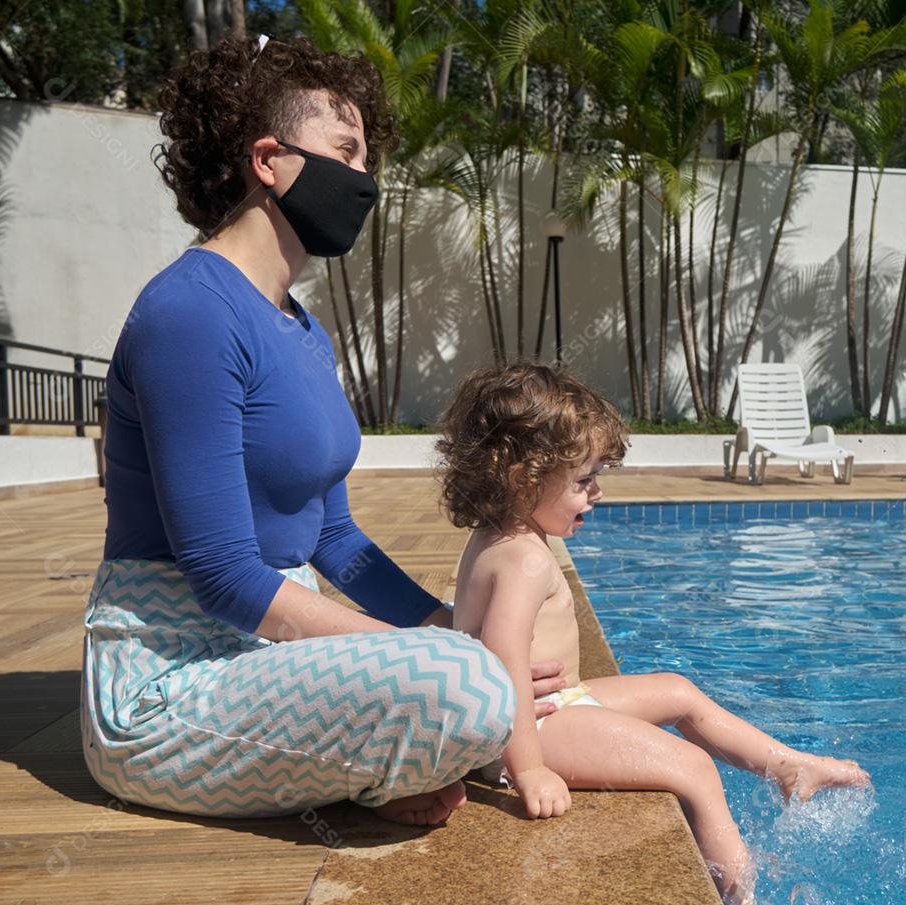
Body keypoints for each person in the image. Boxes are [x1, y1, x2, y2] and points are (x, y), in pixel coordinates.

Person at [81, 34, 569, 828]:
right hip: (170, 685)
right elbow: (223, 576)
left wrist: (444, 625)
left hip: (271, 657)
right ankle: (383, 764)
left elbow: (335, 539)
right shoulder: (190, 313)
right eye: (347, 152)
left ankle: (382, 762)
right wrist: (414, 653)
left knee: (495, 660)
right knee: (474, 688)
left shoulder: (303, 329)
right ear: (268, 161)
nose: (365, 180)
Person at [435, 361, 871, 905]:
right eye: (583, 480)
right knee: (692, 768)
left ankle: (788, 767)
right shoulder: (522, 560)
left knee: (676, 689)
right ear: (525, 479)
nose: (596, 494)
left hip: (553, 705)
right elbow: (503, 670)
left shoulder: (504, 536)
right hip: (529, 731)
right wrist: (530, 770)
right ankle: (743, 904)